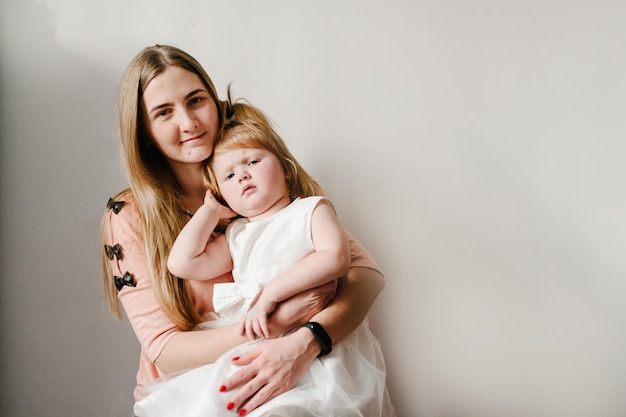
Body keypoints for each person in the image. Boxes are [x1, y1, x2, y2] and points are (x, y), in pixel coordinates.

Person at [101, 44, 394, 416]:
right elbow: (165, 350)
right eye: (164, 113)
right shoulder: (128, 214)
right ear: (144, 132)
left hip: (298, 365)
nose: (188, 122)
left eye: (196, 100)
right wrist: (278, 321)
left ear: (215, 102)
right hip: (197, 393)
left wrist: (306, 341)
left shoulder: (257, 178)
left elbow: (364, 276)